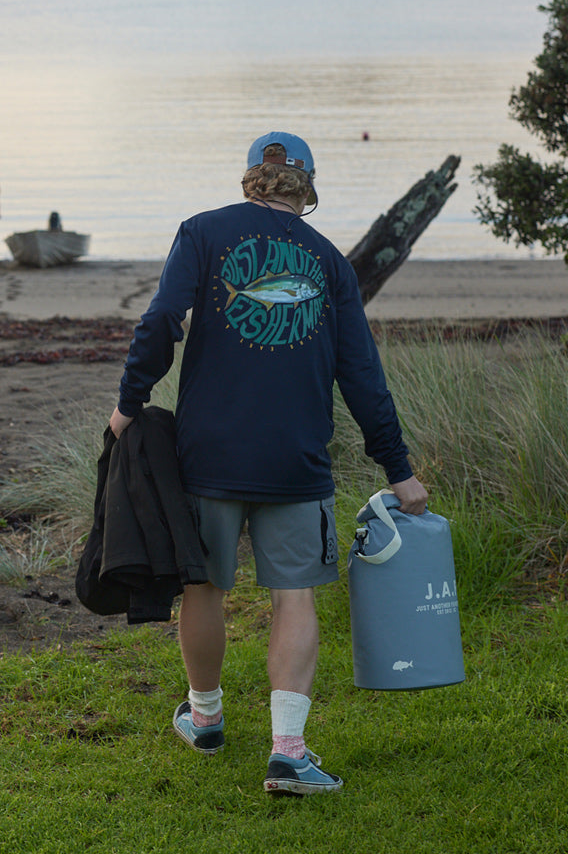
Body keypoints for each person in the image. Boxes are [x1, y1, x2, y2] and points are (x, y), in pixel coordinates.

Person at [109, 131, 428, 796]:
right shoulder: (329, 262)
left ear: (250, 177)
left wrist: (129, 403)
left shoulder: (202, 231)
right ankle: (288, 753)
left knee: (204, 588)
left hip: (208, 452)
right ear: (307, 186)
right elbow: (362, 376)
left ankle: (205, 720)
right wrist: (397, 468)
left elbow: (162, 319)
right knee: (294, 596)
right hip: (295, 459)